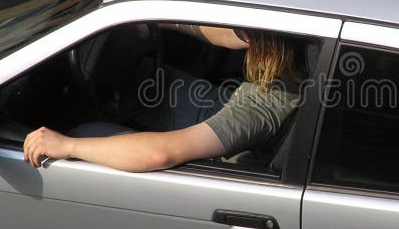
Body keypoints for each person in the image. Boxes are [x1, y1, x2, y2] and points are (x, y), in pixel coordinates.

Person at [23, 24, 302, 172]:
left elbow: (161, 153)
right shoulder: (298, 49)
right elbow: (228, 35)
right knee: (147, 82)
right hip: (232, 102)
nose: (239, 34)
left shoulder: (266, 108)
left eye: (245, 31)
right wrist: (158, 21)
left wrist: (68, 145)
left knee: (87, 131)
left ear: (258, 40)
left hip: (234, 143)